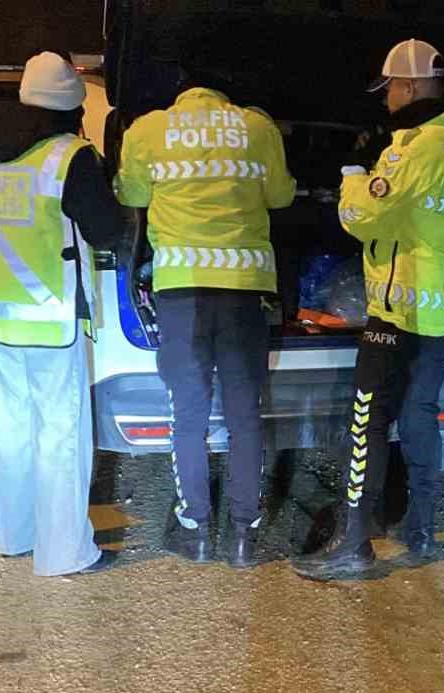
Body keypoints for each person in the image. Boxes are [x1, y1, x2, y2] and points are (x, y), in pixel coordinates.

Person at [293, 39, 444, 581]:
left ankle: (353, 541)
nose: (387, 100)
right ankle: (419, 529)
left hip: (398, 311)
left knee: (367, 421)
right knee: (421, 414)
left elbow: (363, 217)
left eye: (392, 88)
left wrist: (353, 174)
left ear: (412, 86)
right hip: (441, 309)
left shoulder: (411, 149)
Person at [116, 70, 296, 567]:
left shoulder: (150, 129)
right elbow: (281, 197)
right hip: (244, 294)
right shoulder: (257, 128)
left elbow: (130, 196)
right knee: (245, 417)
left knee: (188, 417)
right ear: (223, 94)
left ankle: (195, 530)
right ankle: (243, 536)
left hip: (181, 295)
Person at [0, 51, 126, 576]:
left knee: (11, 429)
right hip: (51, 319)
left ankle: (17, 535)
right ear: (71, 108)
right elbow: (107, 232)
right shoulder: (68, 157)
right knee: (61, 433)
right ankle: (65, 553)